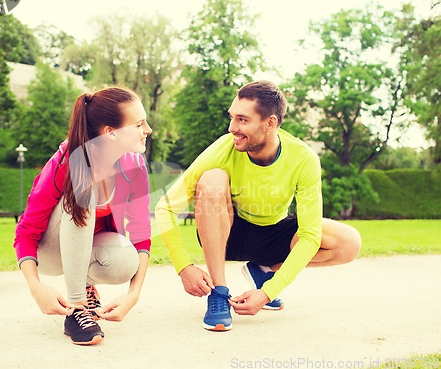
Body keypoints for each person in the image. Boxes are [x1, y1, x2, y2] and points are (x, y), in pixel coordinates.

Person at [155, 80, 361, 331]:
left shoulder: (303, 158)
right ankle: (219, 294)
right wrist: (183, 267)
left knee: (349, 242)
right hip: (228, 232)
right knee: (212, 178)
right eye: (232, 118)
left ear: (270, 123)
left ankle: (263, 272)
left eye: (242, 120)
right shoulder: (224, 148)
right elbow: (165, 207)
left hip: (272, 234)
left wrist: (267, 292)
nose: (232, 128)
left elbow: (308, 237)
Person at [14, 86, 153, 345]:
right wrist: (36, 288)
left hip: (86, 249)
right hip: (51, 251)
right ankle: (77, 308)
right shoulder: (67, 160)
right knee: (84, 191)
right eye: (139, 124)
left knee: (125, 260)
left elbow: (141, 233)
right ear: (110, 132)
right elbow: (26, 232)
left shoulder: (134, 165)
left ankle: (86, 286)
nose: (148, 130)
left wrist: (133, 296)